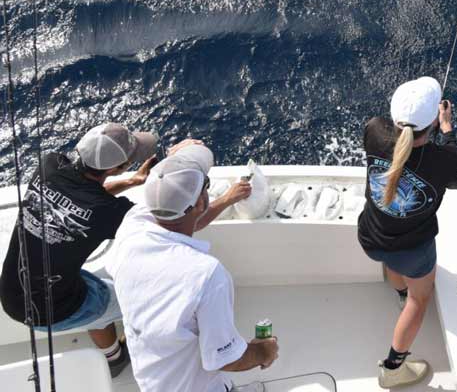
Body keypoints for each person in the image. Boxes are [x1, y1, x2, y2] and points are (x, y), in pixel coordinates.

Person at [0, 123, 243, 377]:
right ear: (116, 168)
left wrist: (132, 181)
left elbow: (82, 194)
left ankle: (109, 347)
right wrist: (228, 198)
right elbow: (180, 223)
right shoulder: (109, 213)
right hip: (55, 306)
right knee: (132, 302)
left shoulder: (49, 166)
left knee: (96, 297)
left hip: (12, 289)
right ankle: (115, 360)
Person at [108, 144, 279, 392]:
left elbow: (177, 211)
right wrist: (265, 351)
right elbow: (227, 359)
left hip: (151, 381)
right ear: (200, 202)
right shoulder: (206, 275)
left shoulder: (132, 225)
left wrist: (176, 162)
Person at [357, 76, 457, 388]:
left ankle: (401, 293)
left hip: (370, 236)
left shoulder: (374, 131)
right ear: (434, 119)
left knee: (394, 266)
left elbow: (397, 141)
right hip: (412, 251)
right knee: (421, 300)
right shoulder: (444, 159)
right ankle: (393, 368)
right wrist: (447, 131)